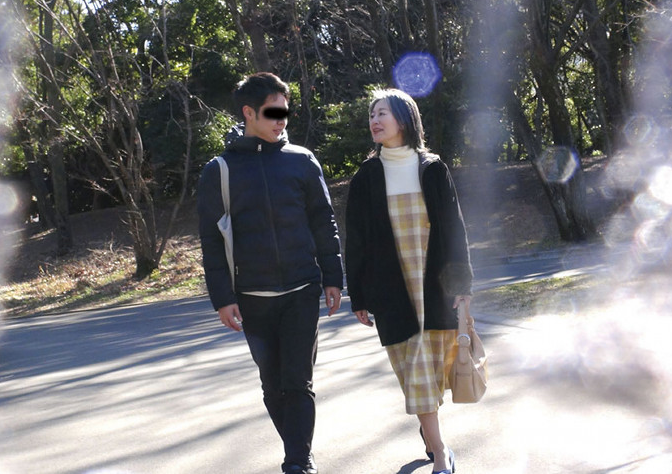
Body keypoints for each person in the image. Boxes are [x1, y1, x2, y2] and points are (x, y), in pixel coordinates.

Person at [197, 72, 343, 474]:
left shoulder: (302, 160)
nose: (282, 120)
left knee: (297, 381)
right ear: (249, 113)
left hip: (301, 289)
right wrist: (223, 297)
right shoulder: (219, 170)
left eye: (285, 111)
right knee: (272, 385)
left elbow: (323, 221)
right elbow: (211, 239)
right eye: (273, 112)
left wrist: (333, 276)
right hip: (252, 296)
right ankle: (298, 449)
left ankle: (298, 461)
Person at [344, 88, 473, 474]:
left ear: (404, 118)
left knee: (432, 375)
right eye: (371, 115)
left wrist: (462, 284)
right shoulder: (367, 176)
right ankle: (440, 452)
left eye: (382, 113)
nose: (374, 120)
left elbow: (454, 229)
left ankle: (431, 437)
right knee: (414, 375)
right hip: (392, 293)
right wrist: (358, 295)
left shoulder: (432, 168)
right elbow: (357, 240)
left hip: (434, 289)